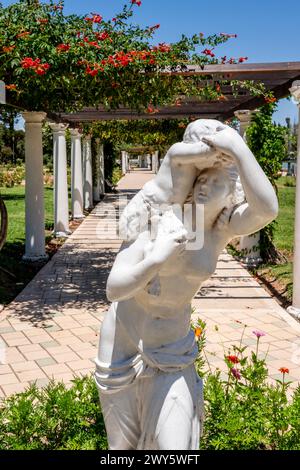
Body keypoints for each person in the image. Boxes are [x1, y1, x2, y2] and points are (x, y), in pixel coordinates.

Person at [95, 121, 278, 450]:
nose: (206, 185)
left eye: (217, 182)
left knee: (176, 449)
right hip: (123, 343)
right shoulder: (162, 215)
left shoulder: (221, 229)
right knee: (121, 450)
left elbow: (267, 209)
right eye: (203, 178)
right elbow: (114, 288)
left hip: (173, 348)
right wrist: (156, 258)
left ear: (232, 195)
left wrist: (237, 146)